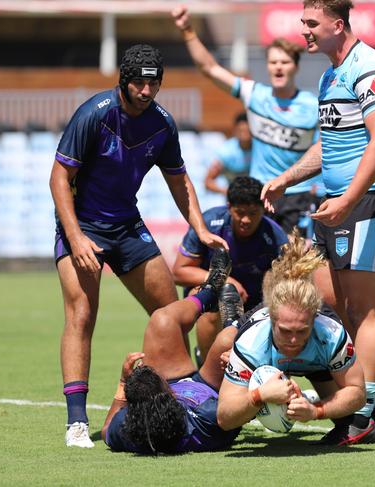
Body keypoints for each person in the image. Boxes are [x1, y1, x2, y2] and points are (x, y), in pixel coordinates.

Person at [50, 43, 227, 448]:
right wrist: (76, 238)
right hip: (81, 225)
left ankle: (186, 397)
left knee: (170, 315)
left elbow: (179, 180)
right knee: (81, 314)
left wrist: (199, 228)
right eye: (139, 82)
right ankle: (77, 423)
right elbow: (59, 178)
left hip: (127, 225)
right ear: (124, 81)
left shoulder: (162, 124)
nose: (147, 90)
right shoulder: (94, 114)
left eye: (153, 82)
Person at [262, 0, 375, 441]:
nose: (304, 30)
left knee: (364, 311)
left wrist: (348, 199)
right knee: (330, 305)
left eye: (311, 23)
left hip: (369, 204)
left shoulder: (370, 67)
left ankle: (362, 414)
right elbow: (330, 145)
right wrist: (288, 178)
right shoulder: (330, 73)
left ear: (337, 23)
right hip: (339, 205)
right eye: (302, 22)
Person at [172, 6, 323, 235]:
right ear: (268, 66)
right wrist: (188, 30)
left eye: (284, 62)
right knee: (261, 263)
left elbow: (326, 147)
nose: (279, 67)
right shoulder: (254, 94)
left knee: (294, 266)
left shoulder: (313, 106)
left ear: (296, 66)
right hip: (261, 193)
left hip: (297, 194)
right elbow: (209, 68)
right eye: (273, 62)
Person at [217, 233, 372, 445]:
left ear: (314, 319)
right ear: (271, 319)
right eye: (285, 330)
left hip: (318, 364)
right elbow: (224, 418)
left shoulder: (331, 334)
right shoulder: (251, 342)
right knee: (225, 341)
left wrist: (316, 410)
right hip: (262, 357)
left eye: (301, 331)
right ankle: (232, 320)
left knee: (351, 420)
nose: (292, 340)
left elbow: (357, 393)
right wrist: (258, 395)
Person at [102, 250, 242, 454]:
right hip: (212, 388)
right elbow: (239, 411)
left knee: (162, 320)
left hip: (177, 389)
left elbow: (107, 430)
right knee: (227, 341)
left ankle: (210, 293)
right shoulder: (209, 419)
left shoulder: (129, 428)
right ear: (167, 394)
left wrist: (124, 383)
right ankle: (235, 319)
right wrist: (242, 376)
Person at [172, 176, 288, 363]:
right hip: (214, 296)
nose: (246, 219)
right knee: (217, 296)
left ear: (263, 209)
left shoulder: (275, 236)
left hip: (256, 303)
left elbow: (288, 281)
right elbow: (179, 271)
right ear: (229, 207)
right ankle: (207, 363)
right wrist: (226, 280)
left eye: (253, 213)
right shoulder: (209, 224)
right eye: (239, 212)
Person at [204, 112, 252, 196]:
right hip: (235, 200)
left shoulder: (261, 150)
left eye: (247, 131)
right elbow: (208, 182)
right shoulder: (226, 152)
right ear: (235, 130)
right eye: (241, 131)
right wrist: (228, 192)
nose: (244, 135)